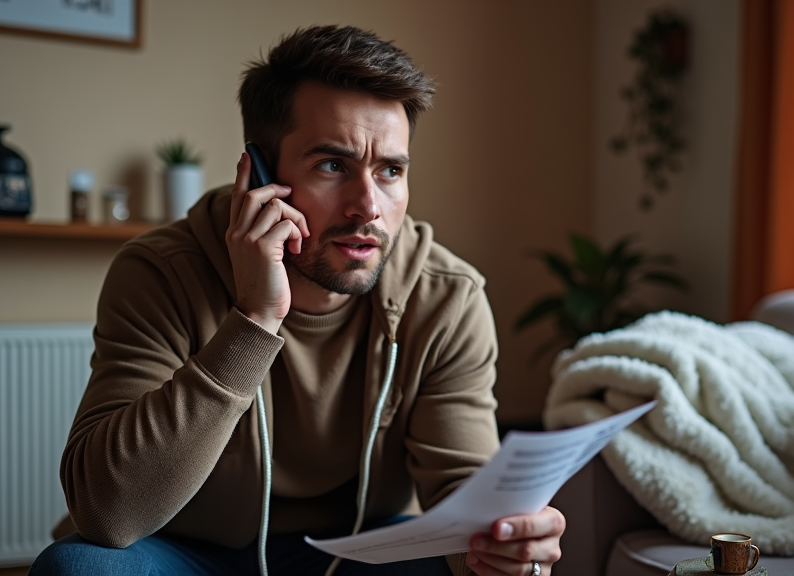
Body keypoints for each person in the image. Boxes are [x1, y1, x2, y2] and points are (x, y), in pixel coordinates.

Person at [30, 24, 564, 576]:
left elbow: (463, 499)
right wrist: (255, 320)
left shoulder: (445, 296)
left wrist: (503, 547)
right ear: (260, 176)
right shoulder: (161, 272)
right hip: (185, 551)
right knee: (78, 568)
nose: (368, 207)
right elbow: (107, 514)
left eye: (391, 171)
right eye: (333, 165)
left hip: (355, 553)